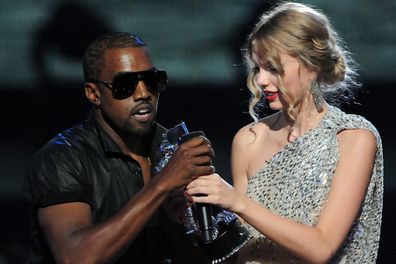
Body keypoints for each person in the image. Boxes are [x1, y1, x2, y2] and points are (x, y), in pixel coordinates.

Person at [186, 2, 383, 263]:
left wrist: (236, 201)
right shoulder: (249, 140)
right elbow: (244, 246)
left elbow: (321, 248)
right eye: (258, 68)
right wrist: (194, 217)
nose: (261, 81)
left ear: (312, 66)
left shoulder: (353, 138)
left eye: (274, 69)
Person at [23, 32, 215, 263]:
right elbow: (74, 257)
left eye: (152, 81)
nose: (143, 94)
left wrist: (182, 221)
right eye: (125, 85)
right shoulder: (62, 159)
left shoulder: (172, 147)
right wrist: (162, 184)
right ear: (93, 94)